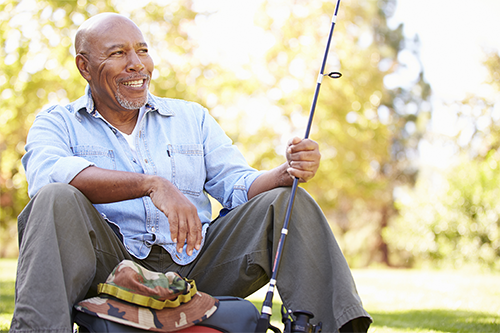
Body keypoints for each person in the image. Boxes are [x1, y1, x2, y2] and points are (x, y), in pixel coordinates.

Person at [10, 12, 372, 333]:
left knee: (286, 200)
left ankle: (334, 328)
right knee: (55, 197)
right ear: (84, 67)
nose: (137, 64)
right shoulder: (56, 122)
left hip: (197, 265)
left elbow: (236, 184)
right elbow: (49, 177)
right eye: (118, 53)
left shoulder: (192, 118)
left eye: (143, 50)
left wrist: (282, 173)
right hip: (109, 268)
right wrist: (151, 185)